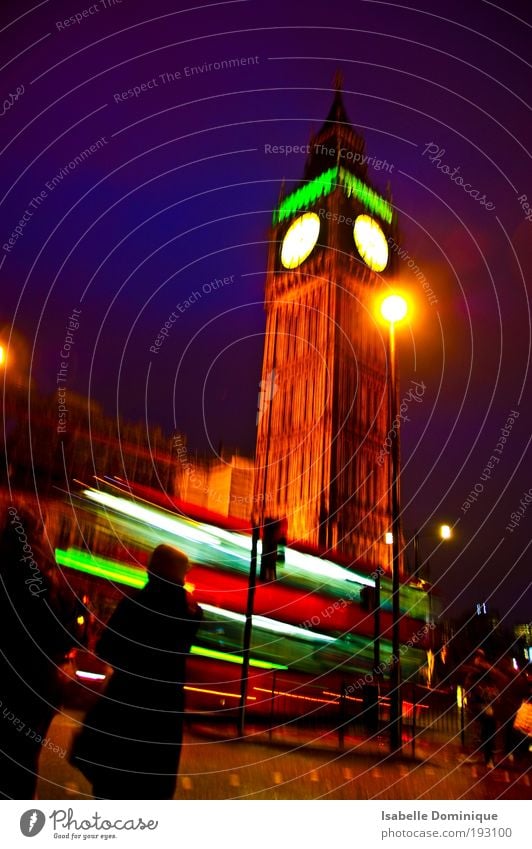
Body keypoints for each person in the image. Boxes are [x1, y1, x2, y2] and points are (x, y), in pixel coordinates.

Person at [71, 544, 202, 799]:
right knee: (153, 786)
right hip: (165, 709)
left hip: (126, 702)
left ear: (152, 571)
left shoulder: (133, 605)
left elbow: (106, 649)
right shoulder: (191, 613)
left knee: (115, 784)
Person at [0, 504, 80, 799]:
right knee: (21, 756)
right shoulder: (43, 572)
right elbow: (60, 631)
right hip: (31, 681)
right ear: (37, 530)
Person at [464, 649, 500, 768]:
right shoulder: (487, 671)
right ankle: (487, 758)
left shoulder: (478, 671)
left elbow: (470, 686)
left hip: (482, 705)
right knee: (486, 732)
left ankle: (485, 757)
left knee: (483, 731)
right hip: (485, 705)